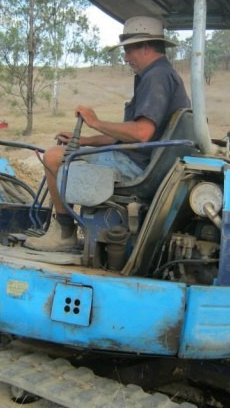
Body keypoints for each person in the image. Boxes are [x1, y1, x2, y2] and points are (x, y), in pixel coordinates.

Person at [25, 16, 191, 251]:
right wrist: (84, 141)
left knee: (53, 157)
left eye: (129, 51)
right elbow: (127, 135)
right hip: (141, 158)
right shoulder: (160, 75)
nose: (125, 58)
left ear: (145, 47)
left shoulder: (157, 77)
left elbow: (142, 133)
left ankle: (64, 233)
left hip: (138, 166)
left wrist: (95, 122)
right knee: (65, 152)